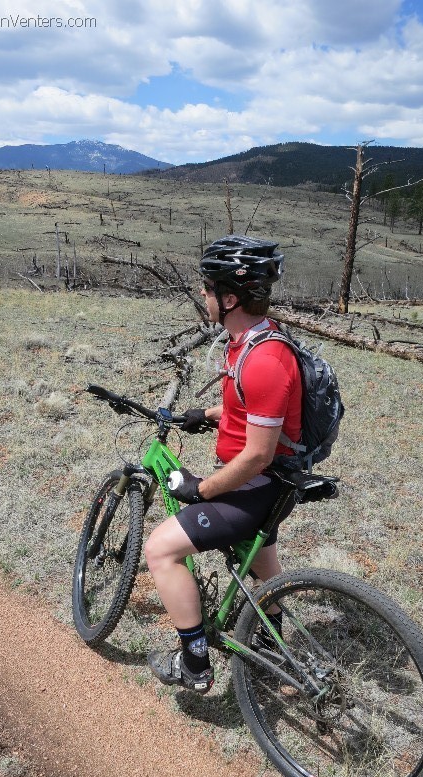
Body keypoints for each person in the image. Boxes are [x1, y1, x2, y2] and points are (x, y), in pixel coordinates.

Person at [145, 234, 302, 694]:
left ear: (230, 298)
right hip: (270, 485)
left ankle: (193, 663)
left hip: (255, 487)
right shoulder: (249, 341)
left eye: (208, 288)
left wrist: (202, 489)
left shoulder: (266, 360)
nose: (203, 294)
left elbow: (258, 454)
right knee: (262, 559)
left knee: (160, 550)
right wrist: (211, 415)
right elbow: (252, 413)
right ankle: (272, 640)